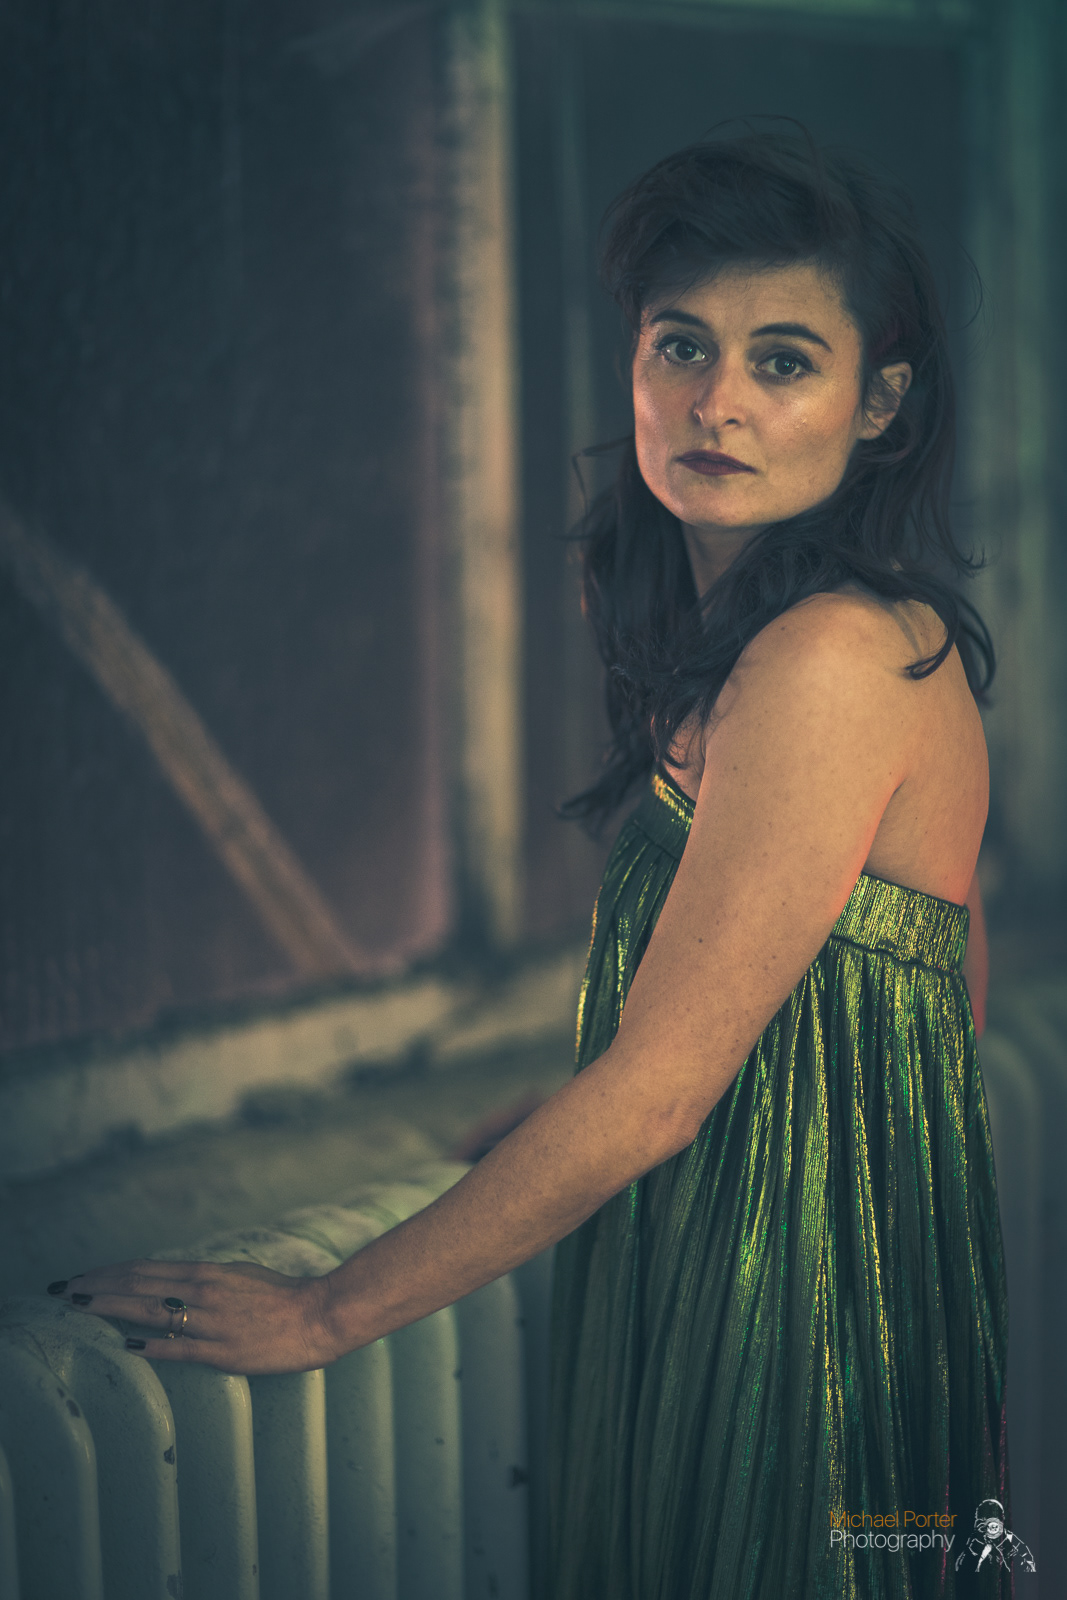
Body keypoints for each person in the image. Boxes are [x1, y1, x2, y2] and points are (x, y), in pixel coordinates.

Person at [51, 129, 1010, 1598]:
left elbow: (670, 1090)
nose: (717, 402)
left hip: (801, 1282)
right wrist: (625, 1097)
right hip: (762, 1232)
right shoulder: (741, 632)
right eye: (681, 345)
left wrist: (323, 1312)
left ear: (879, 402)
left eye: (783, 362)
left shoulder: (832, 658)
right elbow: (944, 965)